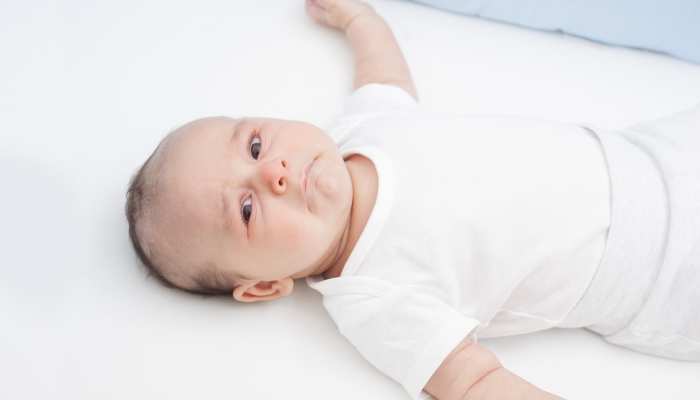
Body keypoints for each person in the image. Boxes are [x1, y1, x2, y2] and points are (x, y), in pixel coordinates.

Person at [125, 0, 700, 398]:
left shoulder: (362, 129)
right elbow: (474, 384)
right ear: (265, 287)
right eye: (247, 211)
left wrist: (360, 19)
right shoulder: (374, 300)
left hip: (650, 151)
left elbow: (385, 74)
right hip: (659, 271)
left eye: (254, 144)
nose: (273, 171)